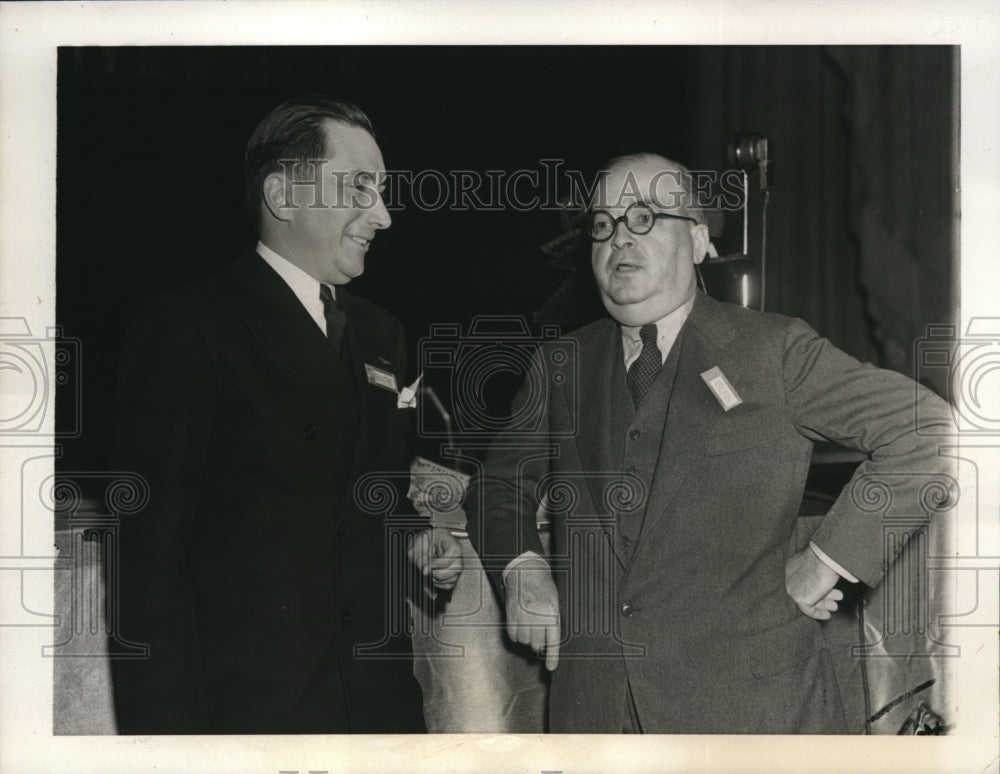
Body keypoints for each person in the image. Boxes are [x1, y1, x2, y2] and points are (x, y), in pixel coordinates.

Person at [466, 153, 956, 733]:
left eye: (644, 217)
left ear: (698, 241)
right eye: (603, 224)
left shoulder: (774, 351)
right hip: (594, 717)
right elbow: (499, 482)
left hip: (751, 719)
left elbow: (932, 430)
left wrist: (825, 563)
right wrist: (523, 569)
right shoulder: (561, 364)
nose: (619, 238)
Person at [109, 95, 461, 734]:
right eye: (361, 188)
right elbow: (146, 571)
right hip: (253, 713)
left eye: (381, 192)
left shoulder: (384, 332)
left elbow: (369, 484)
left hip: (378, 700)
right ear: (283, 195)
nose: (382, 215)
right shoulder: (188, 327)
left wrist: (413, 535)